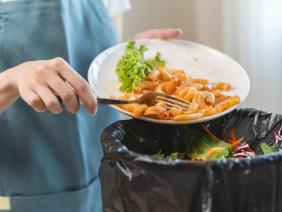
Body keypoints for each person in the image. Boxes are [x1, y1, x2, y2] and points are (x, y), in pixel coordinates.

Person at [0, 0, 182, 211]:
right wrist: (12, 79)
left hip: (105, 177)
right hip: (25, 189)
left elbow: (104, 70)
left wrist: (134, 56)